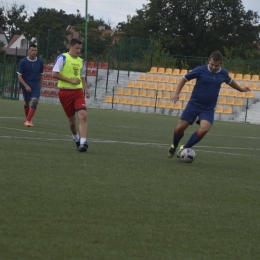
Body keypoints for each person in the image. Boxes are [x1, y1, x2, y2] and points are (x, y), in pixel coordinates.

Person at [168, 51, 251, 158]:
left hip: (208, 108)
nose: (213, 67)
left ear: (221, 64)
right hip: (194, 104)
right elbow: (184, 79)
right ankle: (174, 146)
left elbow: (231, 82)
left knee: (205, 128)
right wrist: (176, 94)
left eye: (216, 65)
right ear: (209, 61)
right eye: (211, 64)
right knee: (179, 128)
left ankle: (184, 149)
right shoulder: (200, 70)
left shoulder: (223, 73)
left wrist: (242, 89)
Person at [52, 38, 90, 152]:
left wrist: (86, 89)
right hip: (64, 93)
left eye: (80, 49)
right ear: (70, 47)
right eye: (77, 48)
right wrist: (70, 80)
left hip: (78, 92)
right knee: (72, 121)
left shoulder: (81, 61)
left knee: (83, 115)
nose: (79, 51)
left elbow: (82, 77)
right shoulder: (62, 58)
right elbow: (54, 74)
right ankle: (76, 138)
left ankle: (83, 142)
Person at [17, 43, 44, 127]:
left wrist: (40, 85)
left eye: (35, 50)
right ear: (28, 51)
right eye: (32, 50)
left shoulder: (40, 61)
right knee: (27, 103)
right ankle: (28, 119)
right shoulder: (23, 61)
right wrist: (25, 85)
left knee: (35, 101)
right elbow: (19, 75)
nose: (34, 52)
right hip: (26, 84)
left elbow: (41, 74)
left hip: (36, 84)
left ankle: (28, 121)